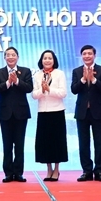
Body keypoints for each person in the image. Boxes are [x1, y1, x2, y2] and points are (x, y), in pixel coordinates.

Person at [70, 44, 101, 182]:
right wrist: (83, 79)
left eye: (89, 53)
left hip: (98, 111)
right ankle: (86, 171)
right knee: (83, 143)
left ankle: (99, 171)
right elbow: (74, 90)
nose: (87, 56)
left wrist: (93, 80)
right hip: (82, 112)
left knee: (99, 143)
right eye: (84, 54)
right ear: (81, 56)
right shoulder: (76, 71)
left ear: (94, 55)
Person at [0, 47, 33, 183]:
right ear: (4, 57)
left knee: (19, 145)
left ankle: (19, 172)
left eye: (13, 55)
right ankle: (8, 173)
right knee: (7, 144)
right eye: (8, 55)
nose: (10, 57)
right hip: (5, 113)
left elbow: (29, 88)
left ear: (17, 57)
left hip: (21, 113)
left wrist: (17, 81)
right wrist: (8, 83)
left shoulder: (25, 71)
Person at [32, 50, 68, 182]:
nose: (47, 60)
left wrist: (49, 89)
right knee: (45, 142)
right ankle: (48, 169)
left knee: (57, 141)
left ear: (54, 60)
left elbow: (63, 93)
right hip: (43, 112)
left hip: (57, 111)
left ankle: (57, 169)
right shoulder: (37, 75)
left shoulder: (59, 74)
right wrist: (42, 90)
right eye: (45, 58)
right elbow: (34, 95)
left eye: (50, 58)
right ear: (41, 60)